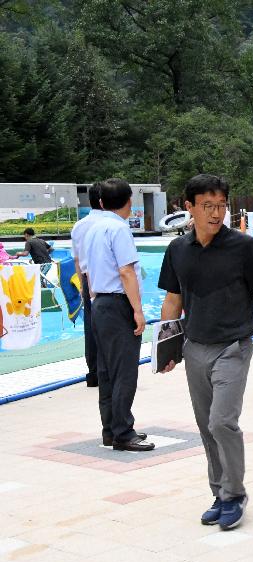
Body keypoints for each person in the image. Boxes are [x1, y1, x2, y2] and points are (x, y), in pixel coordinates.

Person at [159, 174, 253, 531]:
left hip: (233, 346)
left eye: (222, 206)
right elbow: (173, 299)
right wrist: (166, 347)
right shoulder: (177, 250)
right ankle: (219, 493)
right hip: (194, 347)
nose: (217, 213)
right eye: (208, 206)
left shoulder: (242, 246)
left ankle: (235, 494)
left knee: (222, 422)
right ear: (189, 208)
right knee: (206, 427)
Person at [83, 178, 152, 452]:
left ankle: (111, 430)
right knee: (124, 371)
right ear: (129, 202)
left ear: (100, 203)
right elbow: (126, 271)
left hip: (99, 303)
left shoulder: (92, 229)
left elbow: (86, 271)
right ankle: (124, 432)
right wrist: (137, 310)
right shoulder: (120, 230)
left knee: (106, 370)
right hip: (117, 303)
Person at [71, 183, 105, 387]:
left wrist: (83, 286)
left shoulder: (79, 226)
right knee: (113, 326)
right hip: (108, 279)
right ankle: (109, 370)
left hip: (86, 277)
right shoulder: (114, 224)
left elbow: (76, 260)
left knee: (90, 328)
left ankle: (93, 373)